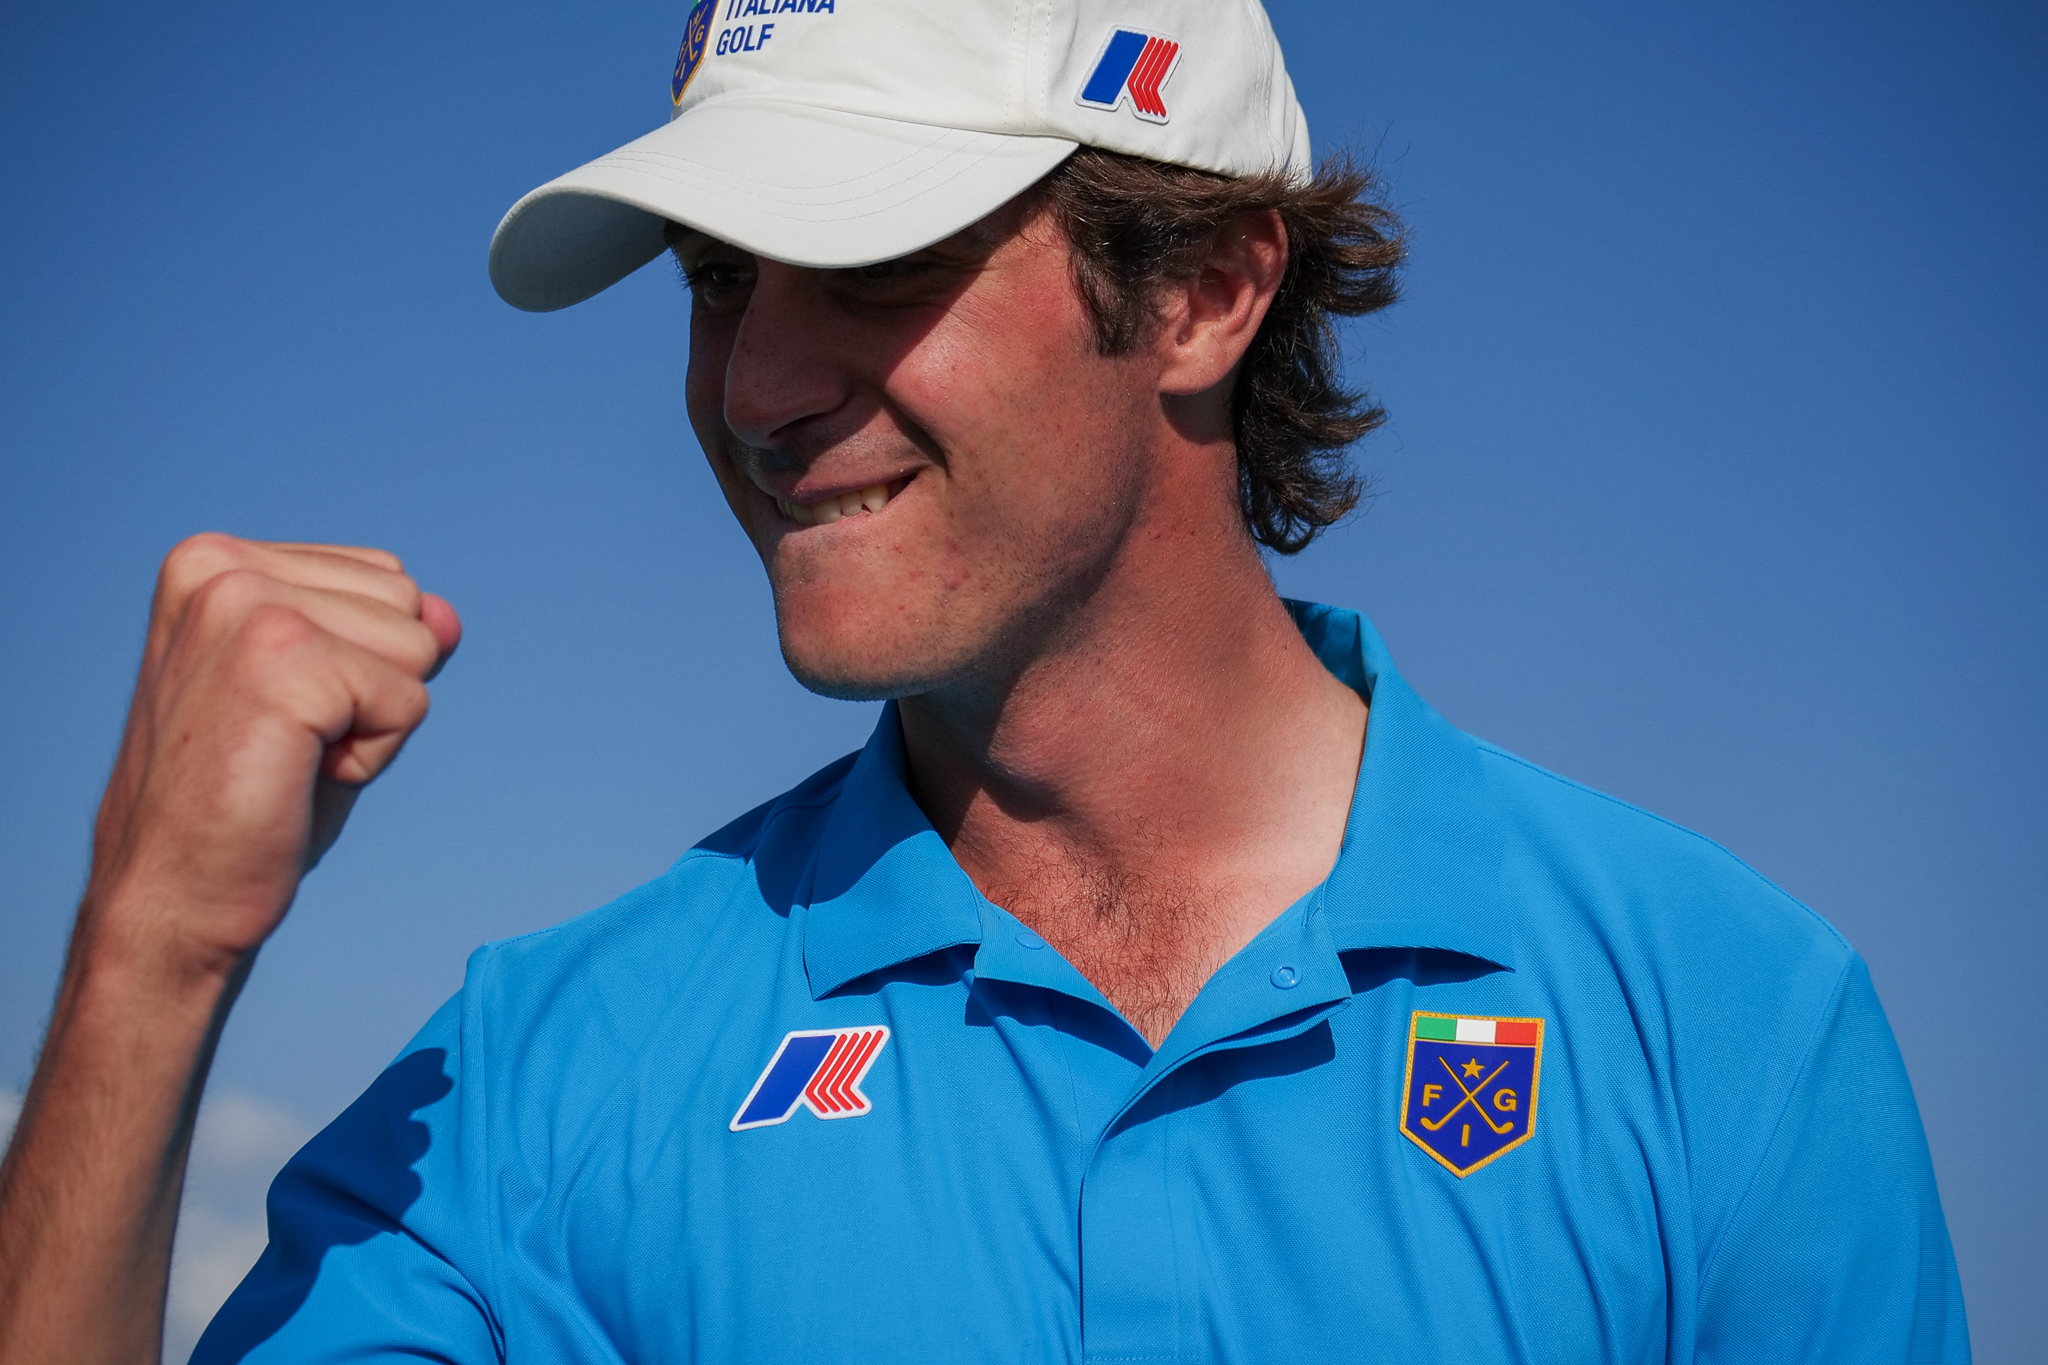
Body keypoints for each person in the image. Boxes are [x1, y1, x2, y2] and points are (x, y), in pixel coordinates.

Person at [0, 0, 1968, 1361]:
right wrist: (152, 950)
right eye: (714, 279)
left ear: (1203, 288)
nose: (756, 387)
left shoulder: (1722, 1022)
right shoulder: (537, 1083)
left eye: (866, 258)